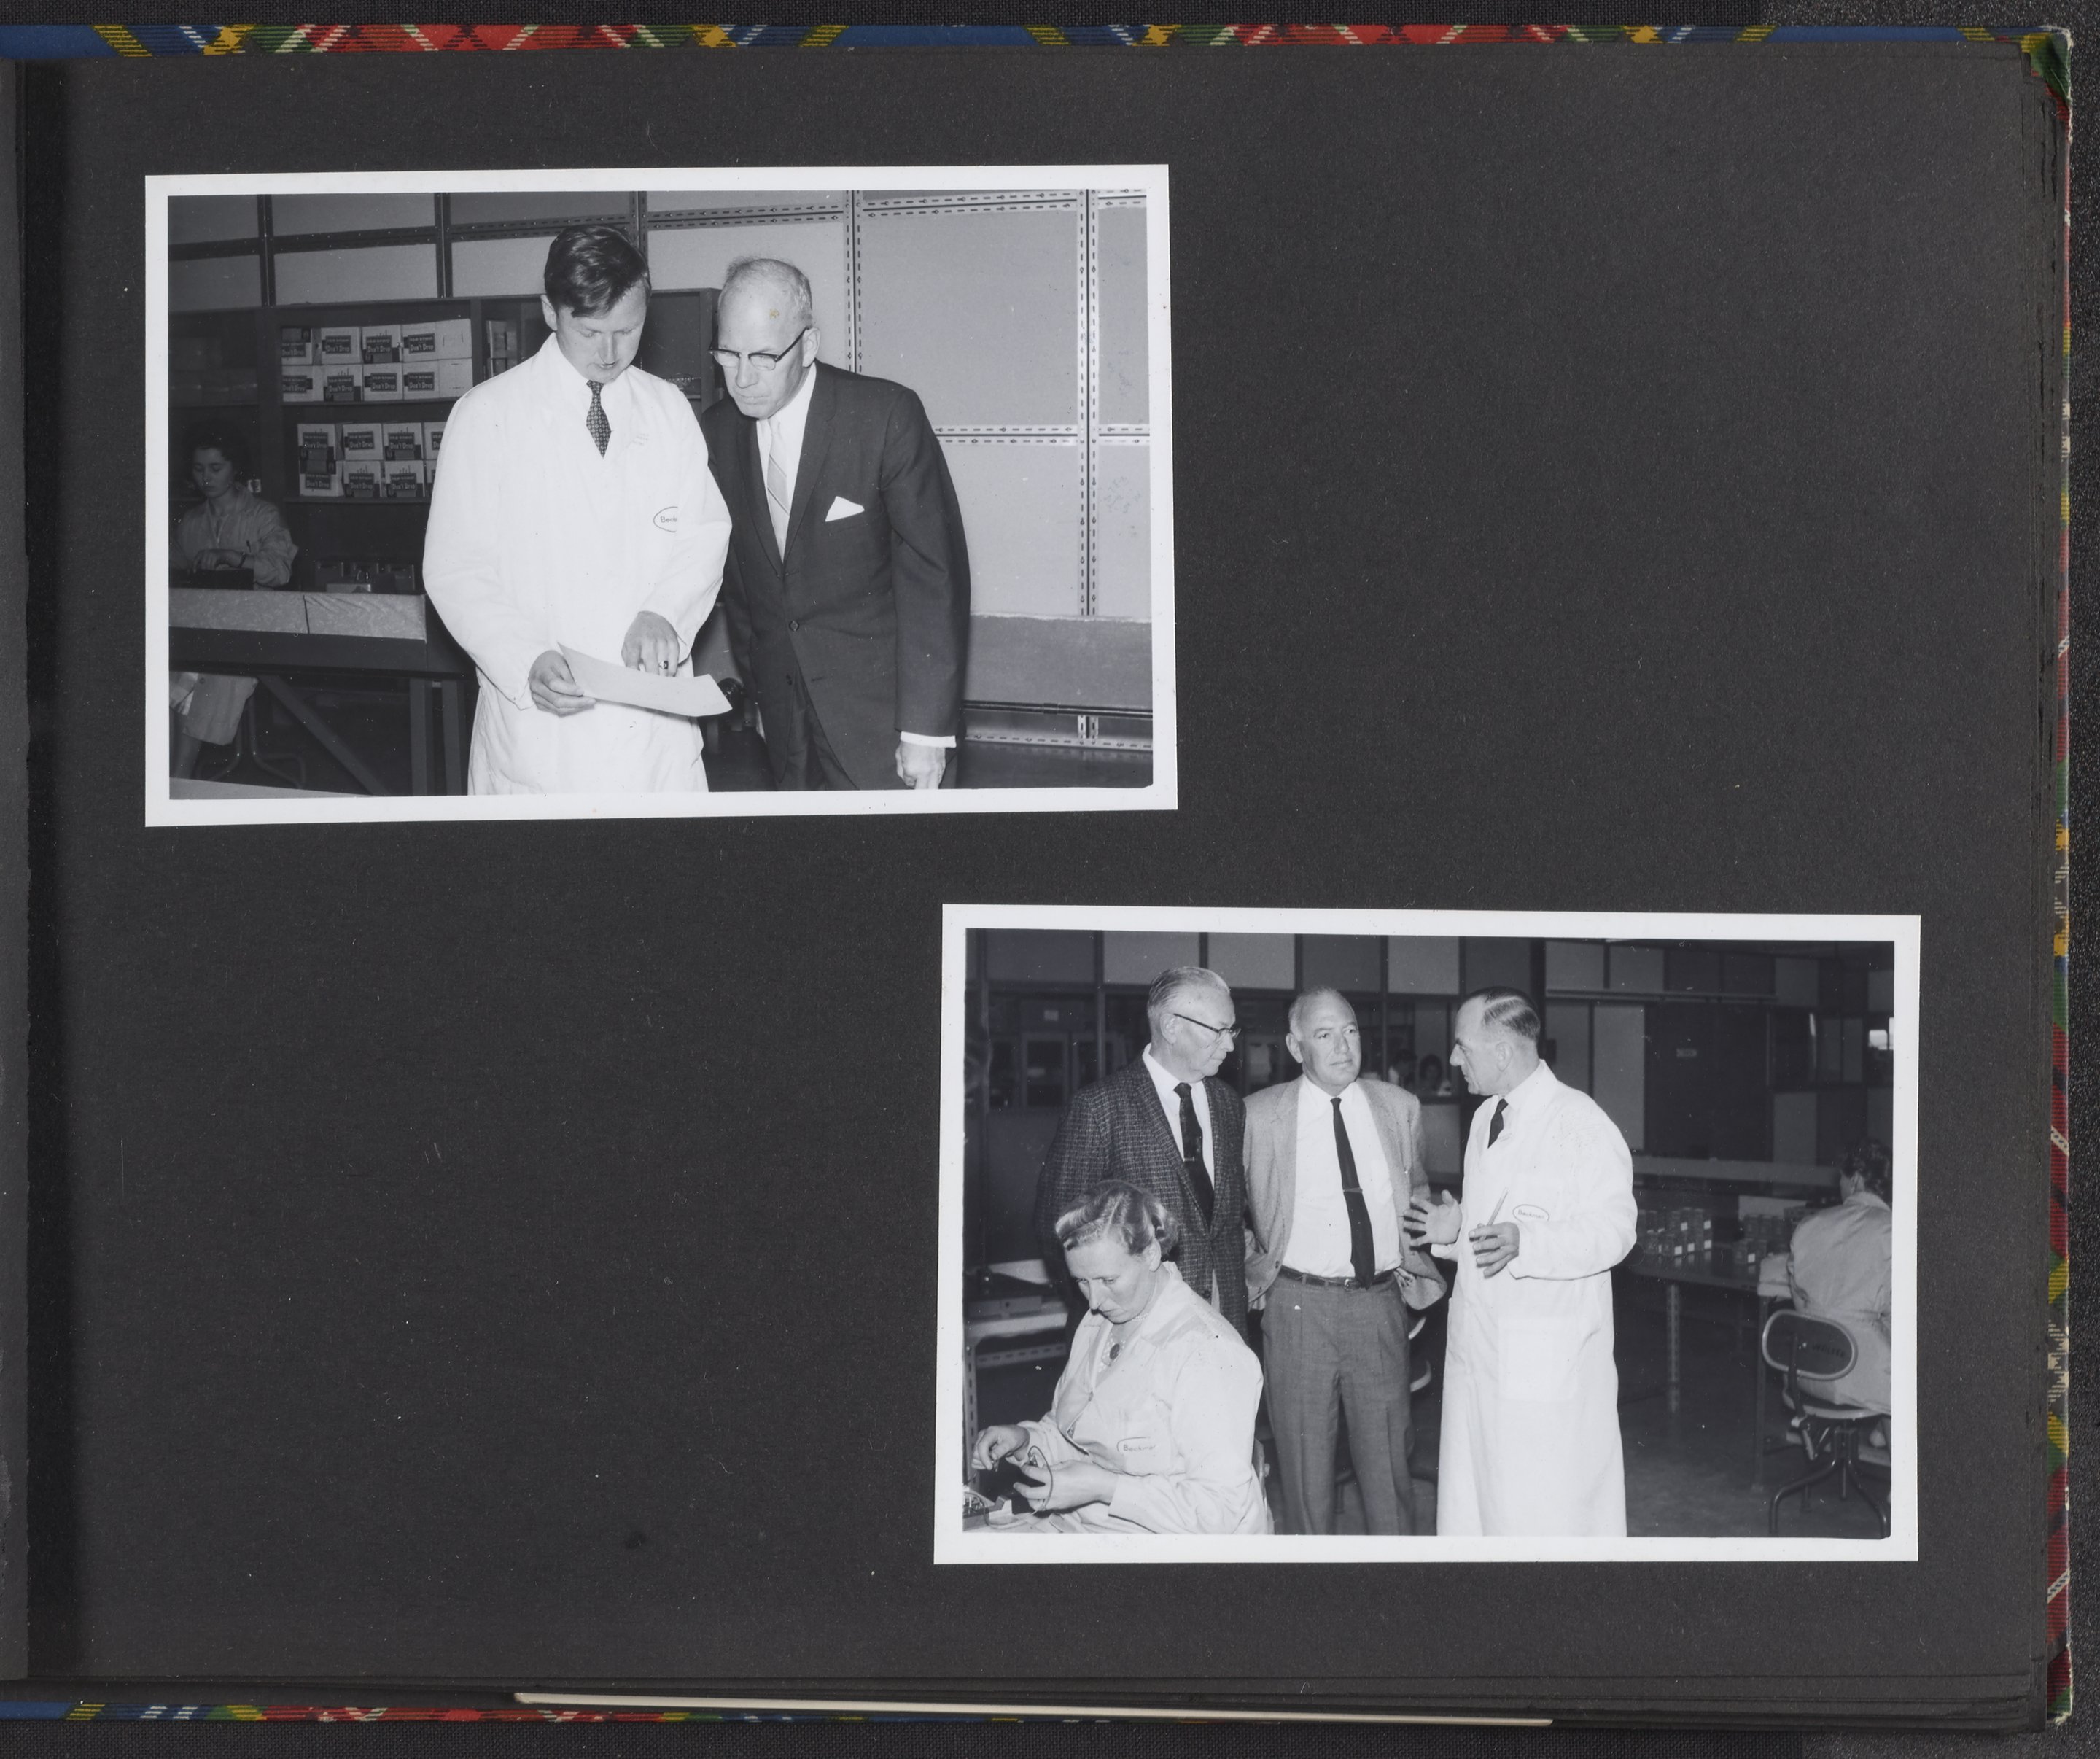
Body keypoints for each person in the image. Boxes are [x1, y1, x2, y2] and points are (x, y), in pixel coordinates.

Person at [423, 225, 734, 794]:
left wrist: (665, 613)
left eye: (628, 331)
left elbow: (704, 532)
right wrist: (524, 659)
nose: (610, 354)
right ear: (550, 311)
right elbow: (456, 568)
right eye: (590, 332)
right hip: (544, 736)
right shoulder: (487, 414)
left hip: (651, 740)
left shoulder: (666, 409)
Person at [699, 257, 970, 791]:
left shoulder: (884, 416)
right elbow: (745, 586)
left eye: (764, 357)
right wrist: (762, 698)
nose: (743, 378)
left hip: (884, 720)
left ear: (808, 345)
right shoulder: (717, 432)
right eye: (728, 355)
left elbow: (934, 578)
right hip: (784, 723)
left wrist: (925, 729)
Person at [1406, 987, 1636, 1536]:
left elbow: (1616, 1230)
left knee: (1542, 1514)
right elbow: (1492, 1229)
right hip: (1480, 1349)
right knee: (1480, 1503)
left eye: (1463, 1047)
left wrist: (1528, 1243)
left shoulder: (1581, 1122)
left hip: (1546, 1361)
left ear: (1503, 1052)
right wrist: (1455, 1232)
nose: (1454, 1059)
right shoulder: (1486, 1118)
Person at [1242, 990, 1447, 1534]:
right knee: (1305, 1472)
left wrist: (1410, 1254)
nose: (1342, 1046)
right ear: (1296, 1047)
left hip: (1379, 1307)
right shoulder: (1258, 1116)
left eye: (1351, 1031)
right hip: (1297, 1307)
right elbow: (1230, 1213)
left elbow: (1416, 1195)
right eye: (1324, 1035)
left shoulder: (1399, 1108)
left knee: (1388, 1465)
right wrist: (1259, 1271)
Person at [971, 1183, 1269, 1534]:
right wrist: (1026, 1439)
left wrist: (1105, 1488)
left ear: (1151, 1255)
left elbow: (1218, 1513)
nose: (1094, 1300)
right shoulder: (1099, 1322)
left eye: (1108, 1279)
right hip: (1084, 1528)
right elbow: (1078, 1433)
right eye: (1082, 1281)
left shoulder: (1208, 1352)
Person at [1035, 968, 1251, 1337]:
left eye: (1232, 1031)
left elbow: (1225, 1224)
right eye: (1218, 1031)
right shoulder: (1099, 1107)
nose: (1229, 1046)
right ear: (1171, 1026)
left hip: (1224, 1319)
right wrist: (1105, 1305)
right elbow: (1058, 1229)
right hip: (1135, 1327)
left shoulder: (1229, 1105)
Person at [169, 422, 296, 778]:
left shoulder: (263, 515)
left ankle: (180, 779)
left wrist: (234, 557)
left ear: (235, 467)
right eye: (198, 469)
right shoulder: (191, 522)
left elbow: (280, 571)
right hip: (206, 630)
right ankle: (172, 779)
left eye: (215, 468)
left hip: (254, 630)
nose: (205, 478)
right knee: (167, 671)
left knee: (202, 675)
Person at [1785, 1138, 1893, 1416]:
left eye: (1842, 1179)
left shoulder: (1810, 1225)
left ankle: (1879, 1435)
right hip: (1868, 1382)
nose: (1839, 1186)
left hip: (1806, 1372)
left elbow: (1800, 1302)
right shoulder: (1895, 1232)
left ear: (1855, 1180)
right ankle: (1888, 1438)